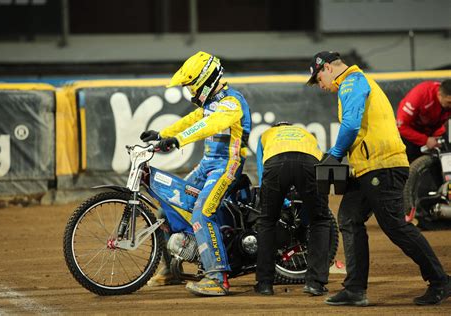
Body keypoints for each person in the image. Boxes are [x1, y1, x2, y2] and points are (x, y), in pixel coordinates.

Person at [307, 51, 451, 306]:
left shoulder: (351, 81)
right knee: (349, 218)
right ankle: (354, 290)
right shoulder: (356, 81)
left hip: (382, 166)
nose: (320, 85)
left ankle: (441, 281)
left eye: (318, 78)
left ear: (327, 67)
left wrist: (335, 154)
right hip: (372, 166)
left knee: (396, 226)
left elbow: (351, 125)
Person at [140, 51, 251, 296]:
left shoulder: (232, 102)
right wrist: (161, 134)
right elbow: (193, 120)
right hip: (207, 166)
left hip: (227, 167)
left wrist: (177, 141)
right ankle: (171, 270)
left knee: (202, 212)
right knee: (165, 206)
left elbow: (210, 125)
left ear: (205, 80)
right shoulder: (212, 103)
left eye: (191, 85)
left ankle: (217, 278)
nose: (190, 91)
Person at [254, 122, 332, 296]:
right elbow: (320, 159)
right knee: (320, 220)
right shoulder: (306, 133)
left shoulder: (266, 135)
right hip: (309, 163)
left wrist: (266, 197)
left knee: (267, 221)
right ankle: (315, 283)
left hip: (275, 164)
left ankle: (265, 283)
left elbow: (261, 170)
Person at [396, 79, 451, 163]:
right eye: (449, 102)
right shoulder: (420, 95)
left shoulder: (445, 103)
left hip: (435, 130)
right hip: (411, 133)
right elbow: (401, 126)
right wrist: (425, 140)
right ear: (439, 95)